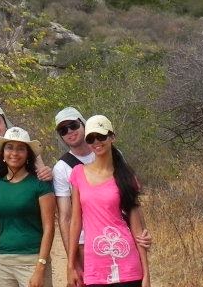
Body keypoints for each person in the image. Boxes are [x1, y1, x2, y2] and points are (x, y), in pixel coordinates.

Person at [67, 115, 151, 287]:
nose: (96, 141)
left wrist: (146, 274)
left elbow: (137, 227)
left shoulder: (126, 177)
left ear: (112, 137)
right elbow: (75, 222)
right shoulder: (78, 173)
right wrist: (71, 265)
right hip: (95, 267)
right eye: (91, 138)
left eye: (101, 136)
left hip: (128, 264)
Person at [0, 104, 52, 247]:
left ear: (5, 124)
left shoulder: (29, 156)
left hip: (25, 239)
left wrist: (49, 174)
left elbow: (43, 182)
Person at [0, 127, 56, 287]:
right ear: (3, 153)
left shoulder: (40, 185)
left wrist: (40, 267)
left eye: (21, 149)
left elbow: (49, 228)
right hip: (2, 263)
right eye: (10, 147)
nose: (14, 153)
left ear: (27, 155)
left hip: (32, 261)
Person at [51, 107, 96, 259]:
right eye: (63, 130)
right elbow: (65, 217)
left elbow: (129, 198)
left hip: (117, 235)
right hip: (85, 243)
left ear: (83, 124)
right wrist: (72, 262)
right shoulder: (61, 168)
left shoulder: (108, 153)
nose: (69, 131)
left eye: (73, 125)